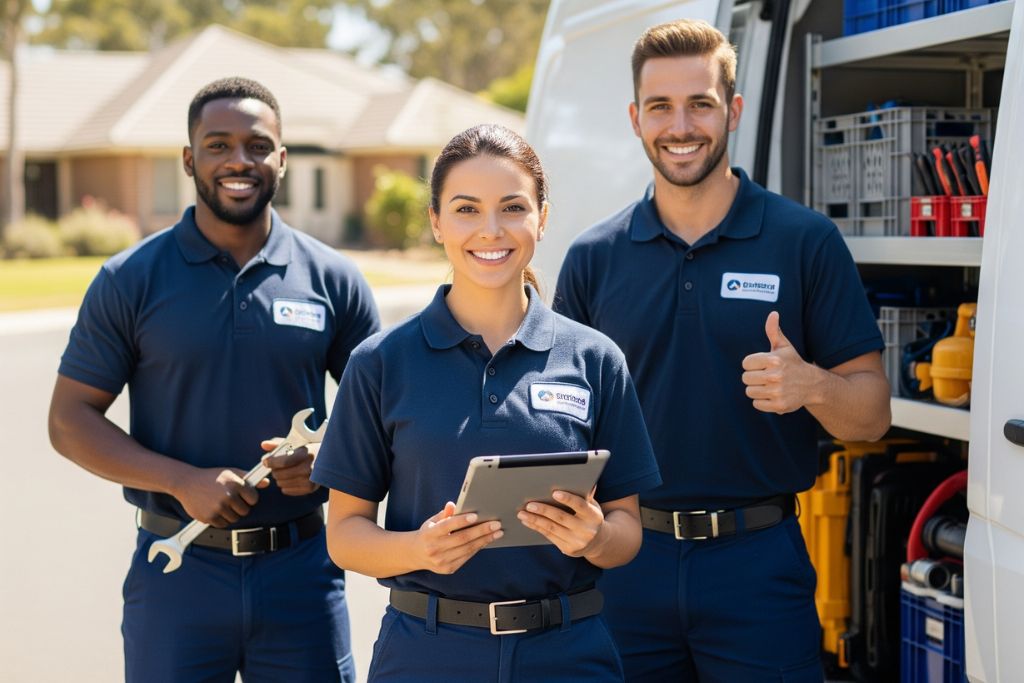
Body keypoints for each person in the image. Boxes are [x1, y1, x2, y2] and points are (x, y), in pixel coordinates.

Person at [553, 19, 892, 683]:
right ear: (635, 117)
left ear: (733, 110)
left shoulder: (804, 241)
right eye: (661, 107)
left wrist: (812, 387)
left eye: (700, 104)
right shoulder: (593, 258)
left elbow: (874, 413)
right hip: (626, 561)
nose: (681, 126)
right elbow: (556, 416)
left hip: (756, 566)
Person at [48, 77, 379, 682]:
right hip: (177, 573)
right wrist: (179, 481)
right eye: (218, 144)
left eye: (257, 145)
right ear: (188, 158)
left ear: (282, 158)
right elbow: (69, 421)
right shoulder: (130, 279)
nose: (239, 161)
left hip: (301, 575)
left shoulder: (334, 279)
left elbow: (382, 417)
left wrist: (330, 459)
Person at [310, 124, 662, 682]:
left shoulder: (596, 359)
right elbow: (345, 535)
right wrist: (420, 550)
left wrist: (596, 537)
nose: (491, 230)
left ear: (542, 217)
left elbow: (628, 530)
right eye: (467, 209)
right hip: (426, 655)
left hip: (568, 654)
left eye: (513, 207)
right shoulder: (380, 363)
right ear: (436, 222)